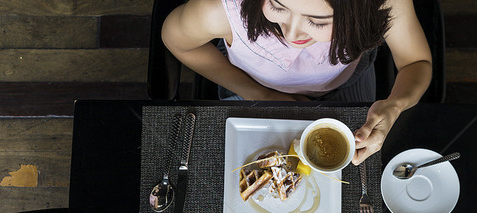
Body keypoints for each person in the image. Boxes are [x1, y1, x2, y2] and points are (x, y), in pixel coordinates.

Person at [161, 0, 433, 164]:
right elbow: (177, 41)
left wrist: (395, 104)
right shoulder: (219, 9)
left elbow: (415, 63)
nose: (291, 34)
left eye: (316, 21)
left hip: (345, 85)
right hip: (248, 86)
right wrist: (260, 94)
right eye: (278, 6)